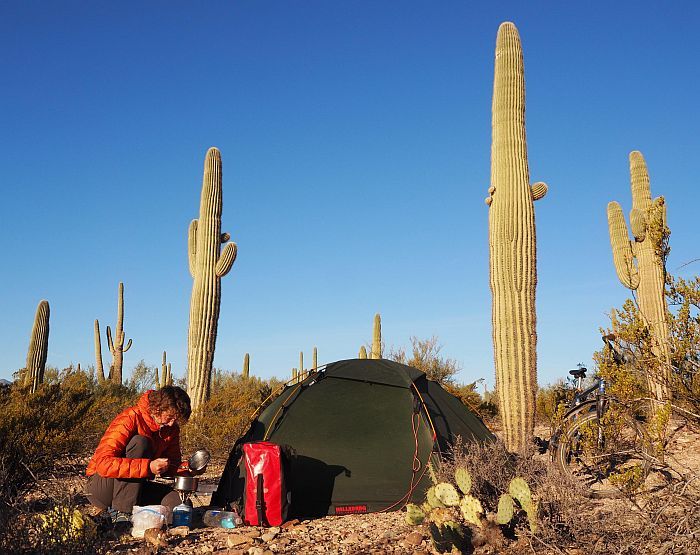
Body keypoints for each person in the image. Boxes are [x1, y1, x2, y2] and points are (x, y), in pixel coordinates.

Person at [85, 386, 200, 525]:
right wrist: (148, 467)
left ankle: (114, 517)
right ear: (157, 408)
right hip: (101, 486)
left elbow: (172, 464)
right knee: (140, 443)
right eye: (169, 417)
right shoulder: (130, 418)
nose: (171, 423)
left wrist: (190, 469)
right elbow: (104, 464)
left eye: (175, 420)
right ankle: (122, 516)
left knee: (180, 504)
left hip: (134, 488)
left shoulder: (171, 429)